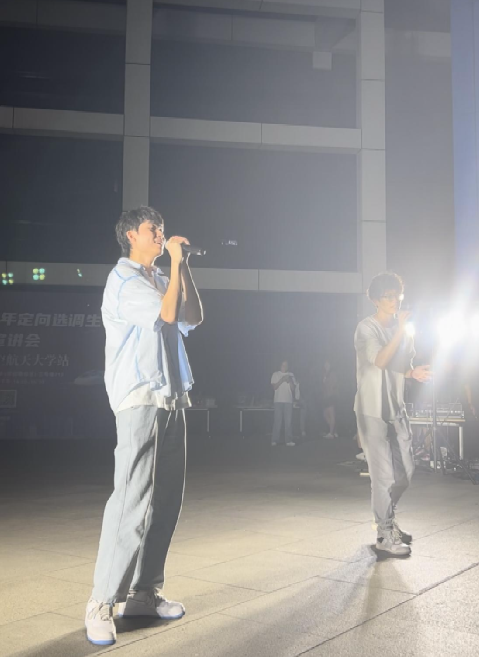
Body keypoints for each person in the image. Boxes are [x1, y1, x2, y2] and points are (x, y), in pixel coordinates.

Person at [85, 206, 203, 646]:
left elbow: (193, 317)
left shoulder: (161, 277)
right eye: (154, 229)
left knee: (167, 499)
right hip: (139, 398)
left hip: (172, 395)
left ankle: (143, 593)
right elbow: (167, 316)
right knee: (131, 500)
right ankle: (101, 601)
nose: (161, 234)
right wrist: (173, 262)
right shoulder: (124, 280)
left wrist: (181, 267)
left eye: (162, 229)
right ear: (131, 235)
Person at [354, 272, 431, 556]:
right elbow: (380, 360)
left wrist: (412, 373)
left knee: (406, 473)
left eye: (397, 295)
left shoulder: (404, 329)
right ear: (376, 300)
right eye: (388, 296)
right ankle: (384, 534)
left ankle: (389, 518)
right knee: (383, 475)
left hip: (396, 408)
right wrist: (400, 329)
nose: (394, 300)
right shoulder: (366, 328)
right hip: (371, 409)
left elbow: (399, 364)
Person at [271, 360, 298, 447]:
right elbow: (274, 387)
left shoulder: (291, 375)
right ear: (280, 366)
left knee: (288, 422)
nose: (284, 367)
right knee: (277, 421)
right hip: (278, 401)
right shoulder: (275, 374)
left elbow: (293, 389)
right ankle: (274, 440)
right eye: (283, 365)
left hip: (288, 401)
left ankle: (288, 440)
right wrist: (282, 380)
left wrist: (290, 381)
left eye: (286, 365)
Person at [321, 360, 339, 439]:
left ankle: (331, 433)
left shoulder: (332, 373)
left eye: (328, 364)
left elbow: (334, 384)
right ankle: (334, 431)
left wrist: (330, 390)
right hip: (326, 396)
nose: (326, 366)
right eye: (325, 364)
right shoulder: (324, 374)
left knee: (331, 414)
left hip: (331, 396)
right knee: (325, 414)